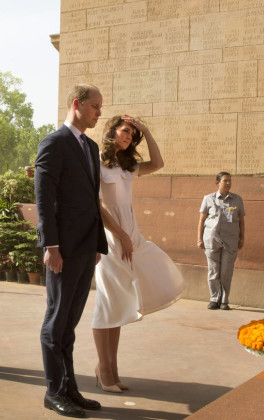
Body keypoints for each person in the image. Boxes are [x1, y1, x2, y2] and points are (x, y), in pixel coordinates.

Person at [92, 115, 185, 394]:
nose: (129, 136)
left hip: (132, 237)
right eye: (125, 131)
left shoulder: (128, 165)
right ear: (112, 131)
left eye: (133, 134)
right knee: (107, 305)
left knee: (120, 306)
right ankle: (103, 368)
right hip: (110, 238)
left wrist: (146, 129)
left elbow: (158, 164)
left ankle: (112, 369)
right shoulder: (96, 161)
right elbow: (94, 205)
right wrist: (119, 235)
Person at [35, 84, 108, 418]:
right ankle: (54, 391)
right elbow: (44, 200)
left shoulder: (90, 147)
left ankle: (69, 387)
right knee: (56, 320)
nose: (99, 113)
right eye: (95, 106)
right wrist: (50, 246)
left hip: (85, 249)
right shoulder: (54, 143)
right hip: (62, 249)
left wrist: (96, 244)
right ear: (77, 104)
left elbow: (92, 200)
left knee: (69, 324)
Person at [197, 172, 245, 310]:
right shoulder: (208, 199)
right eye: (225, 181)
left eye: (230, 181)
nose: (228, 183)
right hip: (211, 239)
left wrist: (242, 238)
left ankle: (224, 300)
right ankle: (214, 299)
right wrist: (199, 239)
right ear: (217, 183)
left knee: (226, 272)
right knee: (213, 271)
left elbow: (241, 221)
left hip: (230, 240)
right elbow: (201, 220)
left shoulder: (237, 199)